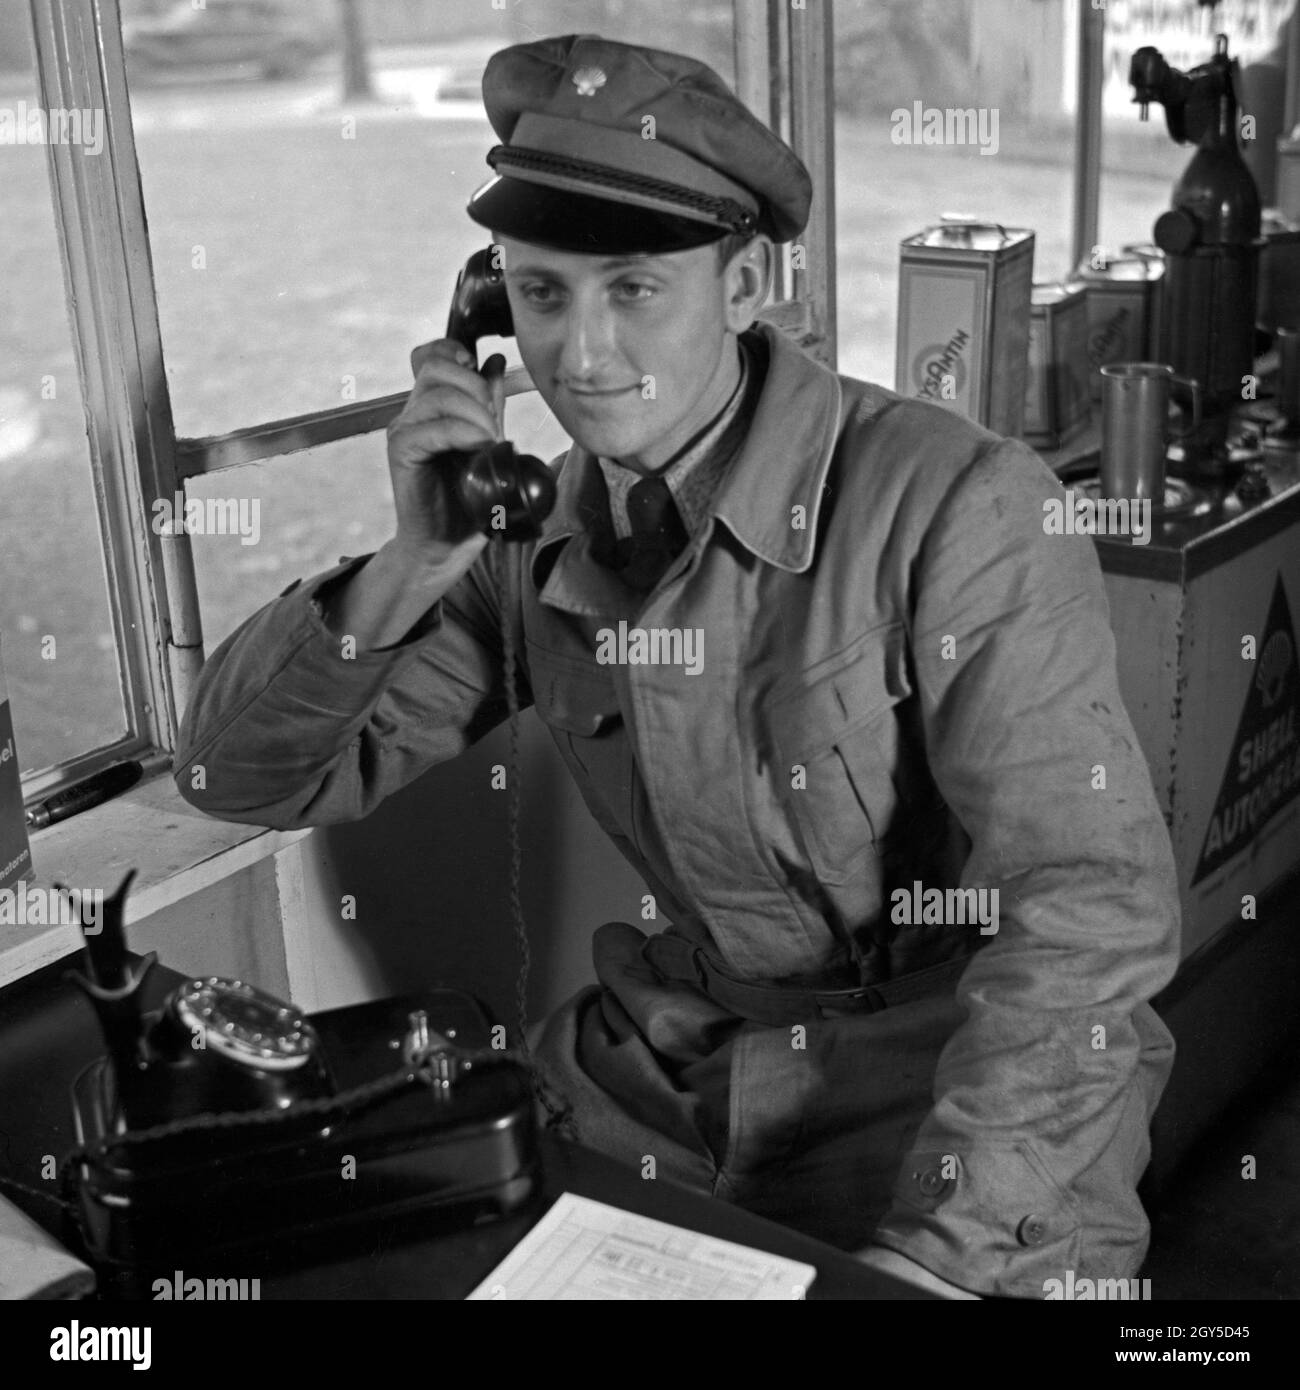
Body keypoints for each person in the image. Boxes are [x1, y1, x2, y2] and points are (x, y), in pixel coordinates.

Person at [175, 33, 1181, 1299]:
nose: (580, 356)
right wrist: (414, 559)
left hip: (957, 1093)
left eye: (633, 288)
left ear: (747, 279)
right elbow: (237, 775)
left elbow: (1088, 911)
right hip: (678, 1073)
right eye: (539, 295)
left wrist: (935, 1256)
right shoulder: (527, 539)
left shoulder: (957, 505)